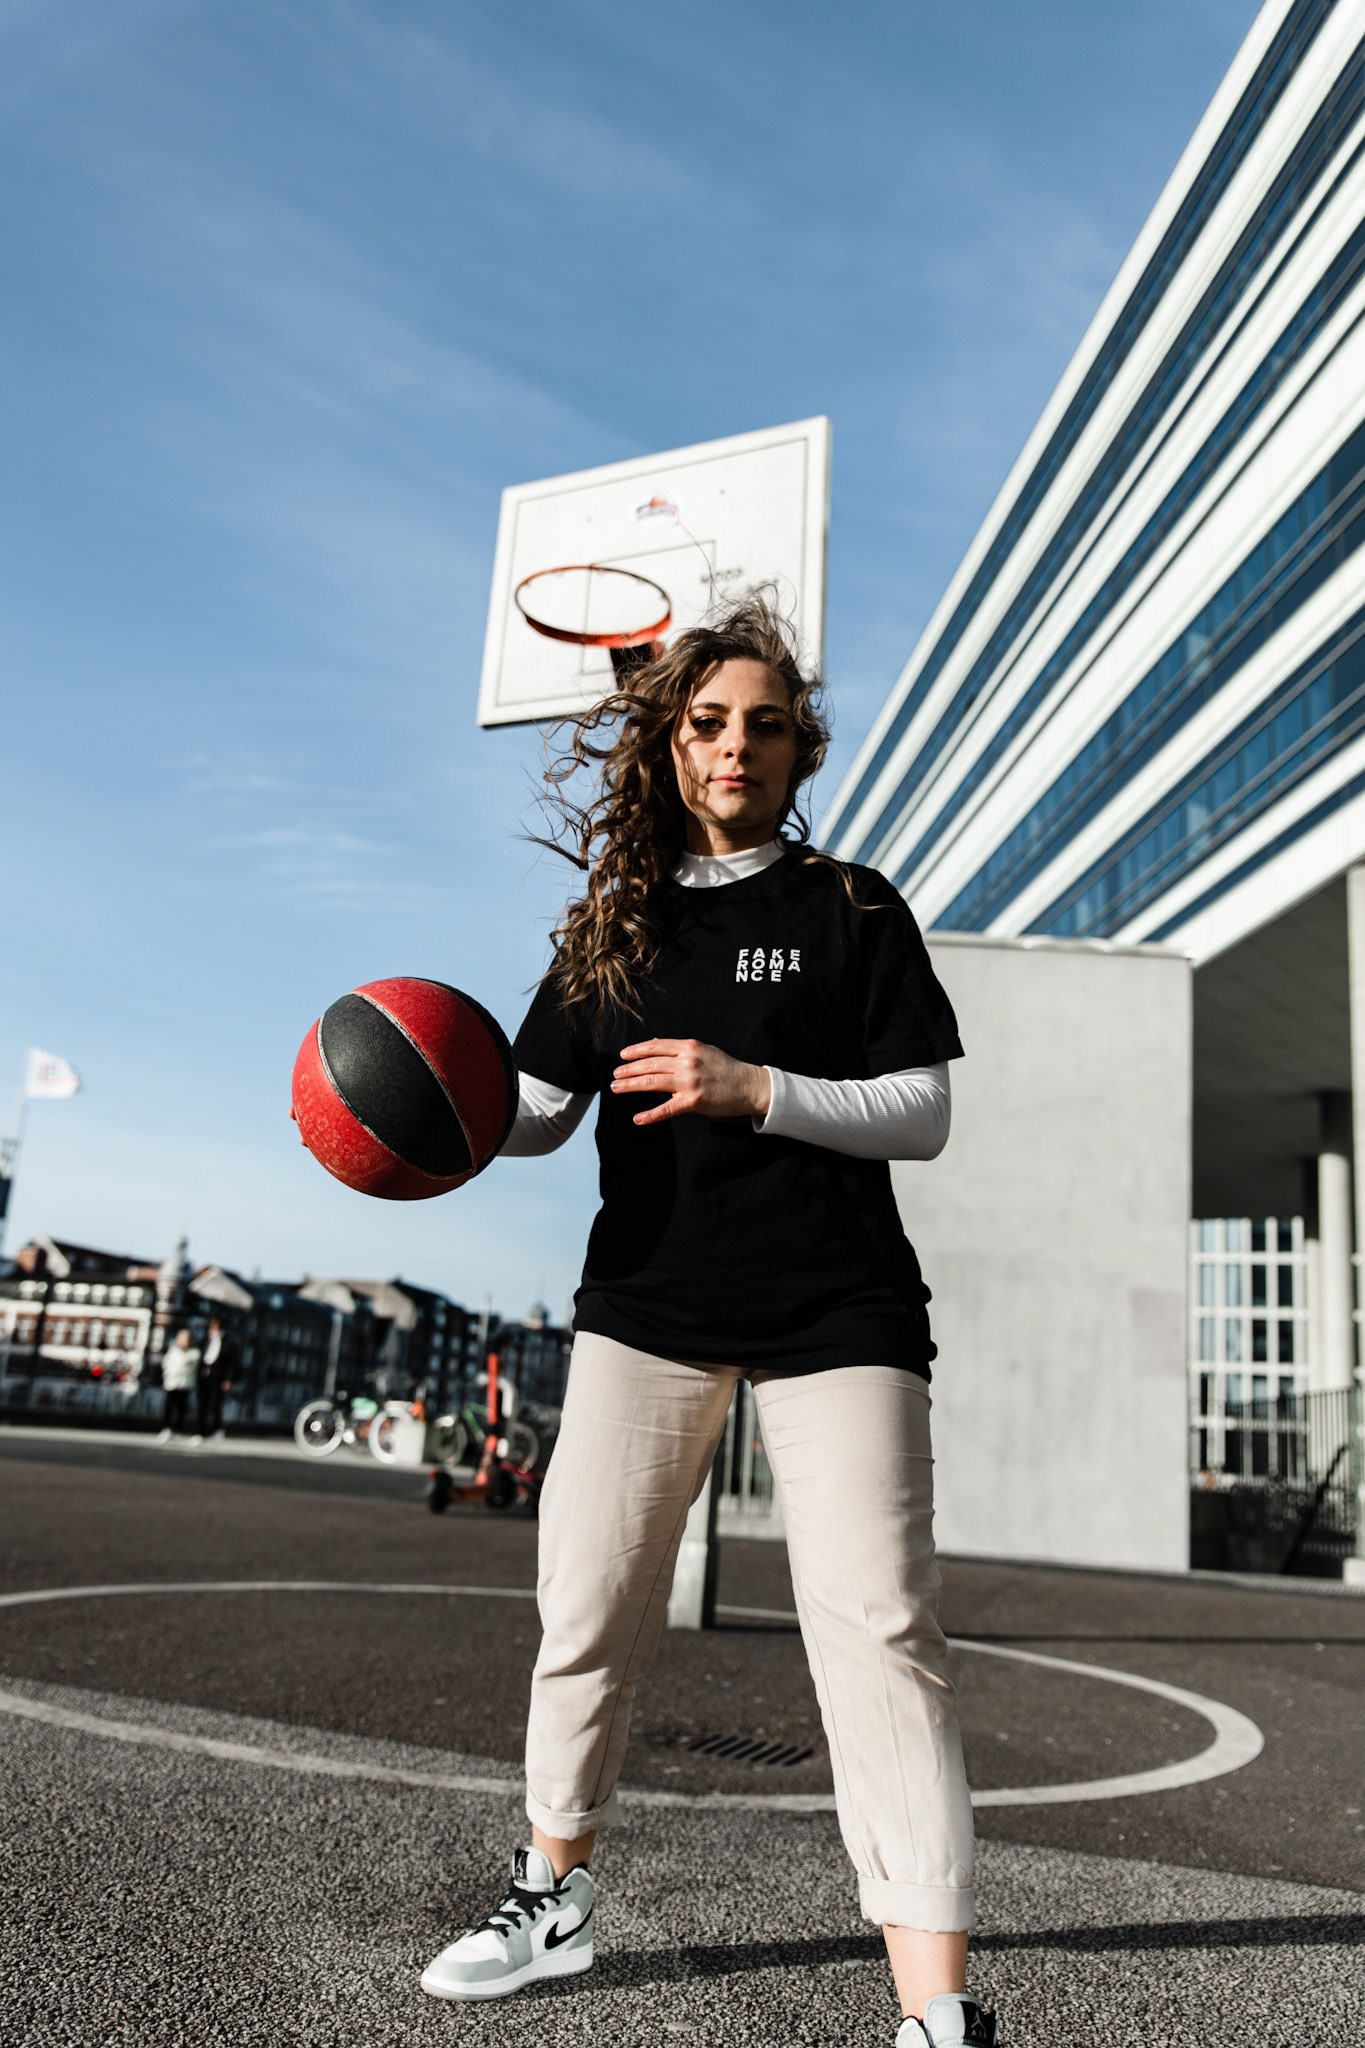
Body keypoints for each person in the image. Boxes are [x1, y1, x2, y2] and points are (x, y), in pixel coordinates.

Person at [419, 593, 996, 2048]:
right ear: (670, 744)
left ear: (803, 751)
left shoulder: (852, 906)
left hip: (838, 1307)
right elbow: (535, 1111)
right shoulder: (614, 926)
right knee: (586, 1606)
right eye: (710, 722)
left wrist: (757, 1089)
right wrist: (431, 1106)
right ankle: (551, 1896)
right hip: (649, 1305)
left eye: (766, 725)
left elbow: (922, 1109)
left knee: (883, 1628)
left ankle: (935, 2008)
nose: (736, 745)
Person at [193, 1317, 238, 1442]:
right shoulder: (206, 1340)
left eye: (215, 1327)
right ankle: (202, 1430)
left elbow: (231, 1363)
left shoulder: (229, 1342)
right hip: (204, 1374)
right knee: (202, 1403)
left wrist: (228, 1379)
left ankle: (217, 1428)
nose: (212, 1330)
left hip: (219, 1376)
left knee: (216, 1403)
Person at [157, 1327, 199, 1441]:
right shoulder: (173, 1350)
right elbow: (167, 1364)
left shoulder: (193, 1352)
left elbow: (189, 1366)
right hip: (172, 1382)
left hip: (185, 1383)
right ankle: (166, 1428)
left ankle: (178, 1429)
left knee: (181, 1407)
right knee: (169, 1406)